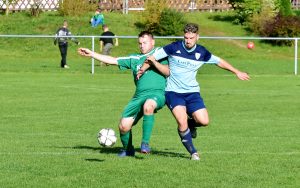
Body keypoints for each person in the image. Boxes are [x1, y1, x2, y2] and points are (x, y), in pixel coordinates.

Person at [137, 23, 250, 160]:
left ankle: (192, 124)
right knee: (181, 120)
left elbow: (219, 61)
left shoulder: (202, 52)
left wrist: (236, 72)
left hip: (192, 93)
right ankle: (193, 153)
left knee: (204, 121)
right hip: (173, 92)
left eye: (191, 38)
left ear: (197, 37)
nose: (188, 41)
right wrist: (142, 69)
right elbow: (152, 58)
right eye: (186, 37)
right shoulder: (173, 47)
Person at [77, 31, 169, 157]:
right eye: (140, 43)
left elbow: (171, 64)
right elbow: (113, 60)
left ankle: (145, 143)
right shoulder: (134, 59)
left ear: (153, 42)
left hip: (157, 94)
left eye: (145, 42)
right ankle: (128, 150)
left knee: (149, 105)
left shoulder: (160, 53)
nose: (141, 45)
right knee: (123, 126)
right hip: (138, 97)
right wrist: (92, 54)